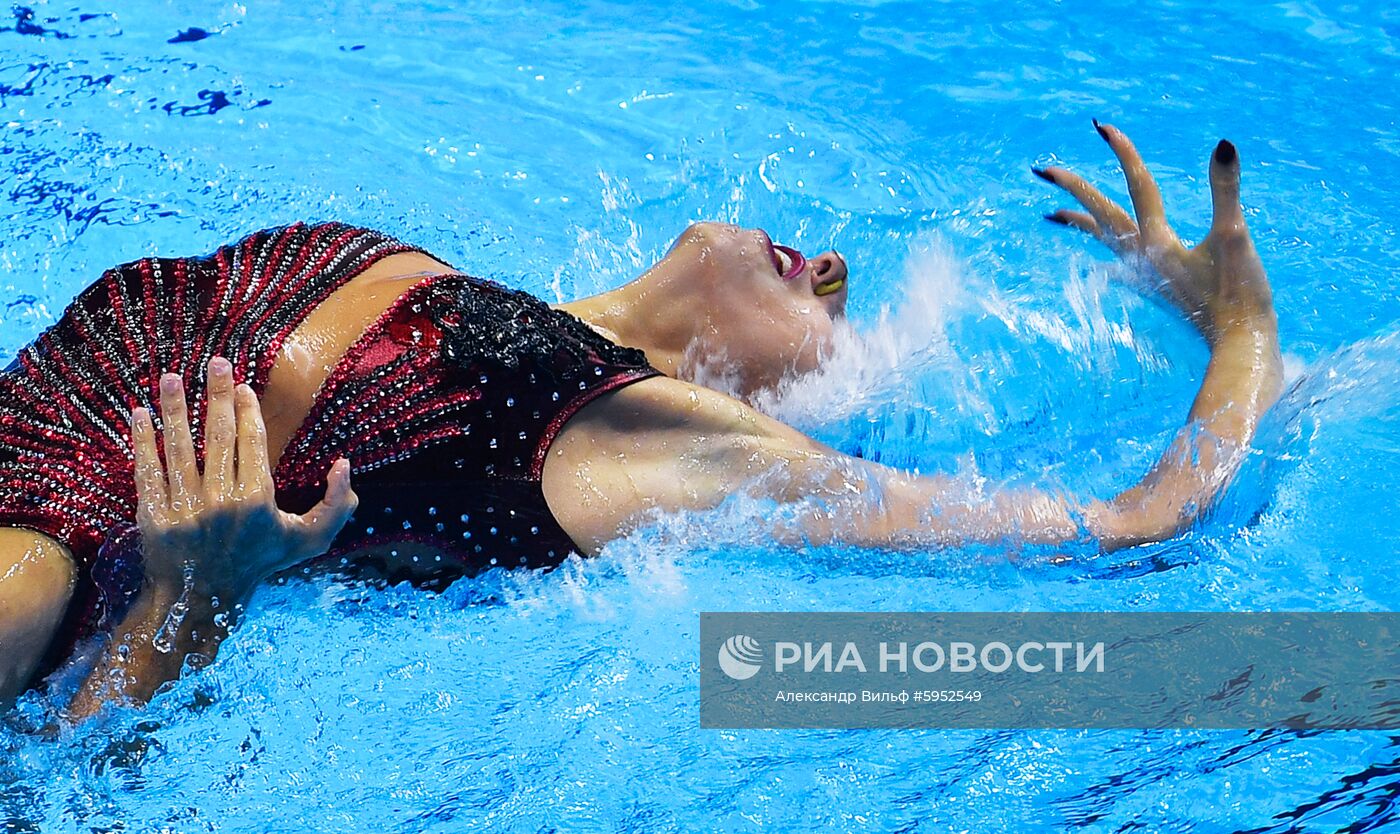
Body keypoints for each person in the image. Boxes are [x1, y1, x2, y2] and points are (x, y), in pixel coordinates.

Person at [0, 124, 1282, 718]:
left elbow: (1134, 519)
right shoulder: (527, 320)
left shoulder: (656, 443)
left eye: (842, 324)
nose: (829, 267)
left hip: (62, 533)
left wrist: (1237, 335)